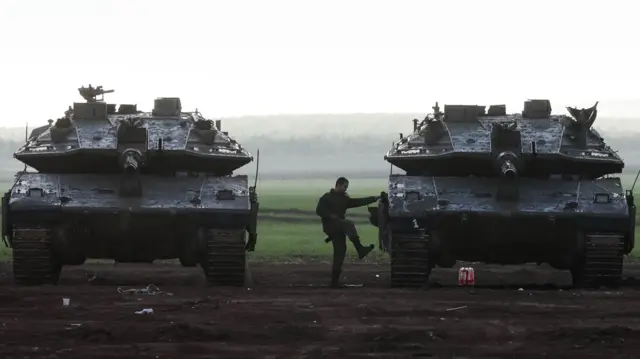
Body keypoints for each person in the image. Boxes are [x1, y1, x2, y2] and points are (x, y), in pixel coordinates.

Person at [315, 177, 380, 288]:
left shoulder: (344, 198)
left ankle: (334, 282)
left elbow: (357, 202)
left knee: (340, 252)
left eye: (346, 187)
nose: (346, 189)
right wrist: (330, 215)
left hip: (339, 228)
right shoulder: (326, 197)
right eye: (344, 187)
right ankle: (360, 248)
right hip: (330, 226)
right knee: (348, 223)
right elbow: (319, 210)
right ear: (338, 185)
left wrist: (375, 198)